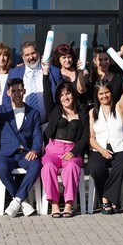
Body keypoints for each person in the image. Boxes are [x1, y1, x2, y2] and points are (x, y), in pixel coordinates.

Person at [0, 77, 42, 217]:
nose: (17, 94)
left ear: (24, 91)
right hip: (6, 154)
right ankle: (22, 202)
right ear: (8, 93)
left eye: (19, 90)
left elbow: (37, 135)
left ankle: (16, 200)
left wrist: (35, 150)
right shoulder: (2, 110)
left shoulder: (33, 113)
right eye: (13, 91)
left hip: (25, 153)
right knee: (2, 169)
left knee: (36, 165)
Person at [40, 60, 87, 218]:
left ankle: (68, 203)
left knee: (72, 167)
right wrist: (45, 74)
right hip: (53, 150)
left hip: (72, 151)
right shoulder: (54, 111)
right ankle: (54, 203)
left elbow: (85, 136)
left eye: (67, 93)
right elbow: (47, 93)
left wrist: (74, 152)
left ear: (72, 95)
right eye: (61, 95)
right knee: (47, 168)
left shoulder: (82, 114)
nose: (65, 97)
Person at [87, 75, 123, 215]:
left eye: (107, 92)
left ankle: (105, 198)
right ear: (97, 96)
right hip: (100, 148)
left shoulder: (120, 107)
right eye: (101, 93)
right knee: (95, 168)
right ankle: (113, 201)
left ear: (111, 93)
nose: (104, 96)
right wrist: (101, 150)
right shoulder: (92, 113)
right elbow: (91, 138)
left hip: (121, 148)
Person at [3, 41, 62, 123]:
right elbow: (6, 98)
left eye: (33, 53)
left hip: (49, 124)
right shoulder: (14, 73)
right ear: (22, 57)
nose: (31, 57)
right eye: (27, 55)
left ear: (38, 53)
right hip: (22, 124)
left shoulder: (54, 72)